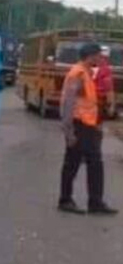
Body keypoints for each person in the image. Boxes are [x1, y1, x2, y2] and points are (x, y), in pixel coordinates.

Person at [58, 42, 118, 215]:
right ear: (90, 55)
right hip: (78, 125)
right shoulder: (77, 73)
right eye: (99, 55)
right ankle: (65, 199)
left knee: (95, 163)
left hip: (88, 125)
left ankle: (95, 202)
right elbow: (68, 103)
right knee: (72, 163)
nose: (101, 58)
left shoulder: (86, 72)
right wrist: (68, 131)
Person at [94, 46, 115, 119]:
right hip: (99, 99)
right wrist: (111, 105)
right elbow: (108, 88)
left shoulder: (86, 67)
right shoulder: (106, 69)